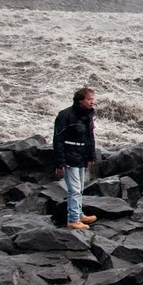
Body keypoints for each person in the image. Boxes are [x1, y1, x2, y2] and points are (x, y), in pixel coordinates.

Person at [53, 87, 98, 230]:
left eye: (92, 99)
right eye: (89, 99)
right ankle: (73, 219)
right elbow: (58, 139)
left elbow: (90, 137)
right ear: (80, 101)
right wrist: (60, 162)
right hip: (69, 156)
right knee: (74, 189)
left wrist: (91, 155)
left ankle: (79, 214)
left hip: (81, 155)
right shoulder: (65, 115)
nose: (92, 102)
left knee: (81, 188)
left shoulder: (87, 115)